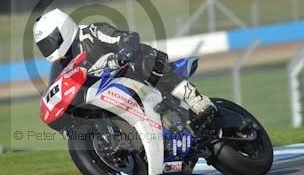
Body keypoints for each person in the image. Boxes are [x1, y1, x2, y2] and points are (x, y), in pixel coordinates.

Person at [33, 8, 216, 121]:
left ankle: (195, 99)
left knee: (142, 59)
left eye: (49, 42)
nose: (48, 49)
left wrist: (124, 53)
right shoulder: (61, 65)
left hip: (133, 74)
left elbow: (127, 38)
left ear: (62, 30)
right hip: (111, 96)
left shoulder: (92, 32)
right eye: (43, 46)